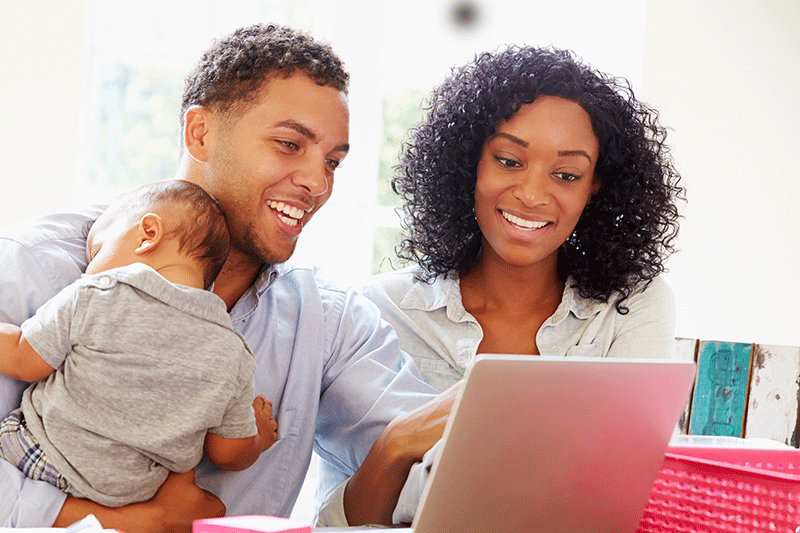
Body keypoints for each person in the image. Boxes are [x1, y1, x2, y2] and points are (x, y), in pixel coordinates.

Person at [0, 24, 449, 531]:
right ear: (201, 134)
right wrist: (130, 522)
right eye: (288, 144)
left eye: (332, 162)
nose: (317, 183)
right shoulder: (33, 267)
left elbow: (432, 463)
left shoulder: (328, 323)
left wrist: (401, 445)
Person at [338, 45, 685, 525]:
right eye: (508, 160)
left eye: (566, 174)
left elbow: (625, 500)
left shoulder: (630, 307)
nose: (533, 194)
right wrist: (396, 445)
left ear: (594, 186)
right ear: (470, 162)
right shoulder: (379, 312)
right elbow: (338, 523)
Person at [0, 179, 277, 507]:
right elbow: (226, 453)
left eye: (97, 250)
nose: (89, 267)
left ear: (148, 234)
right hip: (130, 497)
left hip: (41, 456)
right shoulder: (233, 354)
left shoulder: (99, 294)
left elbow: (24, 359)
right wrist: (257, 437)